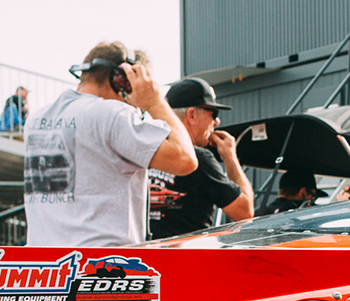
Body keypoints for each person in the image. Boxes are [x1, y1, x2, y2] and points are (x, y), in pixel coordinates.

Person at [22, 42, 196, 246]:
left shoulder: (37, 119)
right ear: (121, 80)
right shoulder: (113, 115)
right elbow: (185, 159)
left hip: (47, 265)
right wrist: (154, 101)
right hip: (103, 263)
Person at [149, 78, 254, 240]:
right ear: (191, 115)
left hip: (145, 258)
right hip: (187, 260)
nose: (216, 121)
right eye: (213, 113)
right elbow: (244, 213)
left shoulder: (146, 149)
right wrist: (230, 156)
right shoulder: (200, 159)